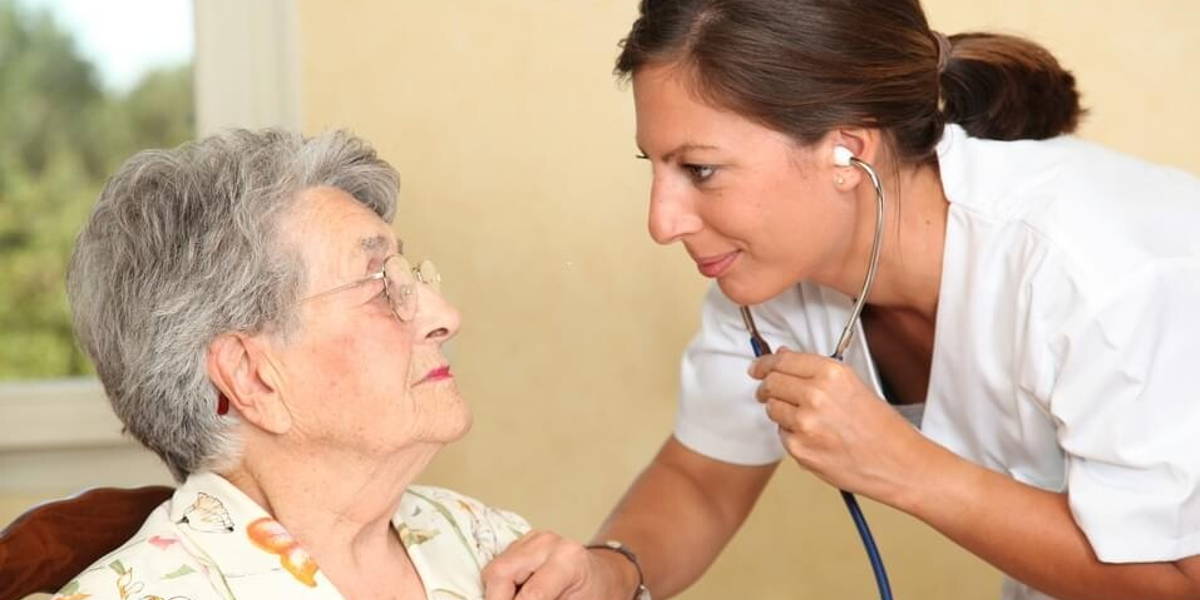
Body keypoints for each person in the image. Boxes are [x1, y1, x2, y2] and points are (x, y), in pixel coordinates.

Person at [482, 1, 1200, 599]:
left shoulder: (1104, 275)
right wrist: (609, 574)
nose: (662, 222)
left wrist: (906, 467)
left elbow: (1180, 578)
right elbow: (702, 477)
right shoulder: (775, 276)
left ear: (848, 154)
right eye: (658, 166)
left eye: (699, 170)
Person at [54, 129, 530, 600]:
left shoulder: (488, 542)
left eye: (411, 275)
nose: (446, 317)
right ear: (252, 377)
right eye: (382, 284)